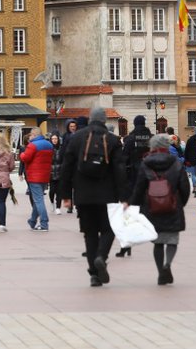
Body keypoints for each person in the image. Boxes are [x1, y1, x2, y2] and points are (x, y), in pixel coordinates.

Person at [59, 107, 127, 287]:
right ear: (105, 121)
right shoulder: (113, 140)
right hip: (107, 194)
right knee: (108, 229)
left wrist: (65, 195)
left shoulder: (76, 138)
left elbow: (66, 167)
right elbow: (119, 169)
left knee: (89, 234)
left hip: (83, 194)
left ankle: (94, 275)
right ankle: (101, 257)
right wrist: (124, 196)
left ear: (90, 119)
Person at [128, 134, 190, 285]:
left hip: (151, 207)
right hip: (173, 206)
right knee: (172, 239)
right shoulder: (175, 163)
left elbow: (139, 187)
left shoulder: (146, 163)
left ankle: (160, 272)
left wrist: (133, 203)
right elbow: (184, 186)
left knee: (158, 242)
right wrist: (181, 202)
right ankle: (167, 264)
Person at [20, 127, 53, 232]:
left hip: (34, 176)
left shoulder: (32, 145)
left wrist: (21, 154)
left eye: (31, 135)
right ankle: (32, 221)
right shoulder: (49, 144)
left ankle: (44, 223)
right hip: (45, 175)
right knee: (37, 199)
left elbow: (26, 158)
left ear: (34, 134)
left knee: (38, 200)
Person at [123, 115, 152, 190]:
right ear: (144, 123)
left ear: (134, 124)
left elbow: (125, 157)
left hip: (134, 173)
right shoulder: (152, 137)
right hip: (150, 172)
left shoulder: (130, 138)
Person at [48, 133, 64, 215]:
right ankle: (52, 202)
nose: (54, 140)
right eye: (53, 139)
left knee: (59, 191)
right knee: (52, 191)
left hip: (60, 172)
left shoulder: (61, 149)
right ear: (50, 139)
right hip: (50, 172)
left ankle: (58, 207)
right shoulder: (48, 148)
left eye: (56, 139)